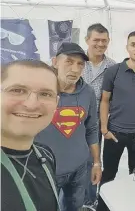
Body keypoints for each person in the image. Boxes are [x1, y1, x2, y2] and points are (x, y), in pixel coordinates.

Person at [97, 31, 135, 211]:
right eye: (133, 44)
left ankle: (133, 206)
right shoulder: (113, 71)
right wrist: (104, 128)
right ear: (127, 47)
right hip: (113, 134)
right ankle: (102, 207)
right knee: (109, 175)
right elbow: (105, 101)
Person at [35, 42, 102, 211]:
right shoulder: (38, 91)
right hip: (45, 170)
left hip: (79, 170)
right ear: (55, 62)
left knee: (74, 207)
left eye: (80, 64)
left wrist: (96, 163)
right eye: (69, 62)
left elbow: (92, 128)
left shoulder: (88, 93)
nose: (75, 69)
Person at [1, 60, 59, 210]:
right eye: (17, 90)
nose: (31, 104)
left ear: (56, 104)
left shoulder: (46, 156)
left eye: (45, 94)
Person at [82, 23, 115, 209]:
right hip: (74, 120)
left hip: (97, 123)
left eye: (104, 41)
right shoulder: (76, 61)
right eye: (96, 40)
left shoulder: (112, 67)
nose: (100, 44)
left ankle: (90, 200)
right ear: (87, 40)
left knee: (94, 160)